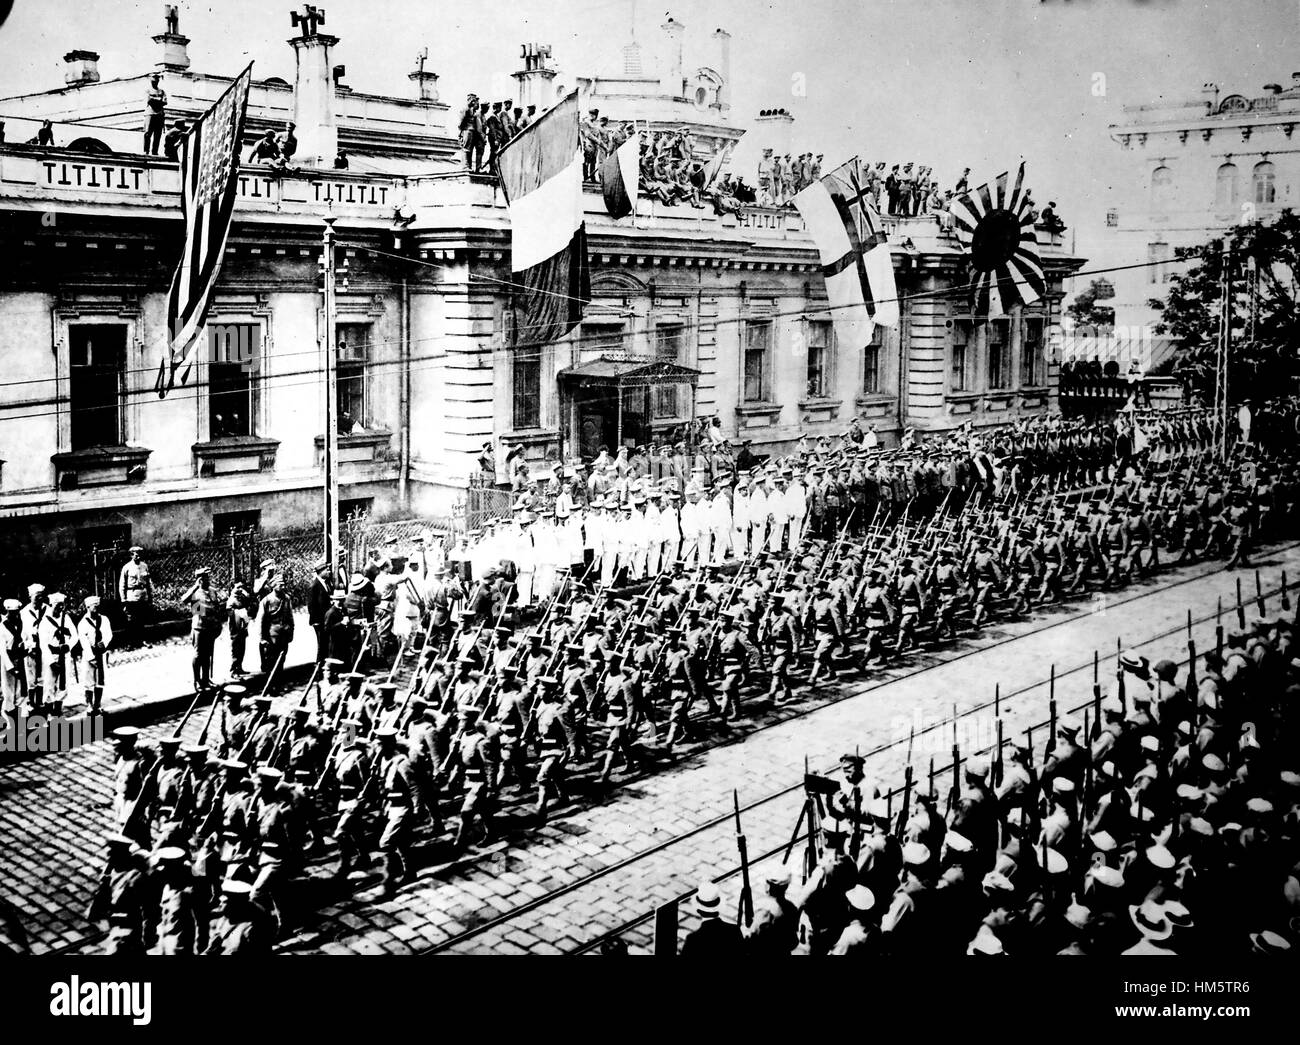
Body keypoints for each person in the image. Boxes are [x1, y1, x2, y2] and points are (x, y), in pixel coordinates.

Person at [181, 567, 225, 691]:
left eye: (208, 577)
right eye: (205, 577)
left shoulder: (212, 591)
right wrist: (195, 587)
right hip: (199, 627)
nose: (208, 579)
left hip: (211, 627)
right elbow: (185, 600)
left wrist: (218, 623)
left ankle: (206, 680)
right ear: (199, 579)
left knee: (208, 654)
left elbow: (217, 607)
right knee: (198, 654)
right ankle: (197, 681)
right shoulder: (195, 592)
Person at [76, 595, 112, 713]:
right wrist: (91, 657)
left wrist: (104, 642)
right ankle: (89, 705)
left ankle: (98, 704)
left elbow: (108, 634)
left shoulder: (104, 619)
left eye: (98, 606)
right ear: (87, 607)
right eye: (94, 606)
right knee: (88, 680)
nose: (97, 608)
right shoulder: (83, 623)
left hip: (101, 653)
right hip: (89, 655)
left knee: (100, 680)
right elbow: (84, 641)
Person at [118, 546, 153, 647]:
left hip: (143, 595)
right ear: (131, 555)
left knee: (142, 619)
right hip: (132, 596)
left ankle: (143, 640)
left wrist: (150, 595)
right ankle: (130, 642)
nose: (138, 557)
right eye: (136, 554)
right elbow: (122, 585)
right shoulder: (127, 567)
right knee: (131, 621)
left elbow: (148, 582)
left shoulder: (144, 566)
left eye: (140, 554)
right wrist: (123, 599)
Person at [144, 73, 167, 155]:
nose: (155, 83)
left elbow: (165, 102)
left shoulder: (162, 91)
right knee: (148, 133)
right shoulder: (148, 90)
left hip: (159, 115)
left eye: (156, 81)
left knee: (158, 134)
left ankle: (155, 151)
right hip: (150, 113)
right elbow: (149, 100)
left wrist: (155, 99)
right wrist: (158, 100)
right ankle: (146, 150)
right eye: (153, 81)